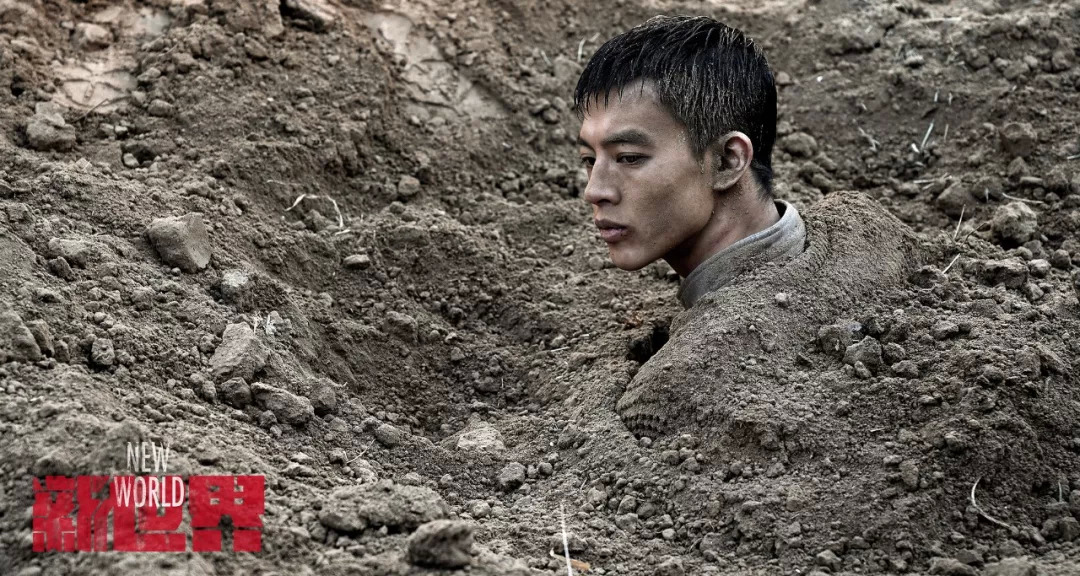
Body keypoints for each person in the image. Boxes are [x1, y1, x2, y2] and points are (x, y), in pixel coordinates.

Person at [574, 15, 806, 309]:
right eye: (589, 159)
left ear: (727, 161)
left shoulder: (751, 329)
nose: (593, 191)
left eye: (629, 158)